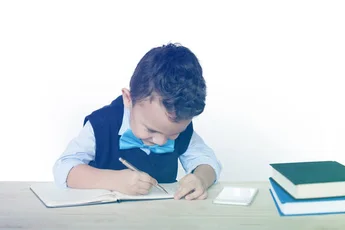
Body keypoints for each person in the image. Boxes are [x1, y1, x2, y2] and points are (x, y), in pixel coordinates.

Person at [53, 43, 222, 200]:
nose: (161, 141)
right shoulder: (102, 123)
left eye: (173, 134)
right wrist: (114, 180)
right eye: (150, 130)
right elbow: (63, 168)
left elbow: (207, 161)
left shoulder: (181, 126)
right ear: (128, 99)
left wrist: (200, 178)